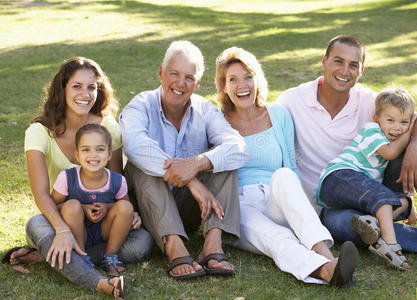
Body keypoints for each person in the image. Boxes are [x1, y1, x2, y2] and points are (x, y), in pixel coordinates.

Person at [277, 35, 417, 256]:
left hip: (375, 190)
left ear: (361, 70)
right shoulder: (292, 101)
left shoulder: (370, 101)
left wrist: (415, 147)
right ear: (324, 61)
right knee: (348, 225)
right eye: (338, 61)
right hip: (330, 206)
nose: (344, 71)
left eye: (353, 65)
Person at [2, 57, 152, 298]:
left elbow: (115, 182)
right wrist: (61, 231)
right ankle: (99, 282)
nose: (85, 94)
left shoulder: (107, 126)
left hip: (101, 223)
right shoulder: (39, 132)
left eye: (92, 87)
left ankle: (47, 255)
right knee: (35, 225)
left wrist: (122, 209)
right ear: (62, 89)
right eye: (77, 86)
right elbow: (41, 194)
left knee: (142, 241)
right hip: (60, 217)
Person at [216, 46, 359, 287]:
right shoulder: (217, 122)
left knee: (283, 174)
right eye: (233, 79)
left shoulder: (278, 115)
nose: (242, 85)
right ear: (223, 86)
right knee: (277, 238)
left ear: (257, 80)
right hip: (241, 206)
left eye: (248, 77)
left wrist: (306, 211)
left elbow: (291, 169)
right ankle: (327, 271)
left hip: (277, 200)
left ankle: (324, 252)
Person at [120, 41, 249, 279]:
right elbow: (135, 146)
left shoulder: (205, 110)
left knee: (223, 159)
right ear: (161, 73)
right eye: (174, 74)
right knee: (143, 166)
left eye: (189, 77)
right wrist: (192, 180)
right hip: (147, 208)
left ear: (198, 83)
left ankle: (212, 245)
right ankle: (174, 247)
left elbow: (239, 147)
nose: (180, 83)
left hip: (189, 210)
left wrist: (197, 163)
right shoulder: (140, 106)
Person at [317, 87, 417, 270]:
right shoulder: (372, 130)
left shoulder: (390, 134)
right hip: (338, 177)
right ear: (377, 119)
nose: (397, 128)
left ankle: (373, 224)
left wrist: (410, 200)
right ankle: (390, 244)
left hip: (355, 188)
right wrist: (410, 131)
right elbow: (389, 153)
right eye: (390, 120)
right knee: (383, 199)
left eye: (404, 122)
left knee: (402, 203)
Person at [52, 124, 134, 277]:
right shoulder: (67, 177)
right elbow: (53, 207)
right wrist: (82, 208)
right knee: (72, 206)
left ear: (109, 154)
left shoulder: (118, 180)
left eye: (100, 149)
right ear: (77, 155)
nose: (93, 155)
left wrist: (108, 207)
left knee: (126, 208)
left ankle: (110, 257)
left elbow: (125, 208)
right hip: (76, 230)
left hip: (105, 232)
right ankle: (82, 257)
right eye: (86, 150)